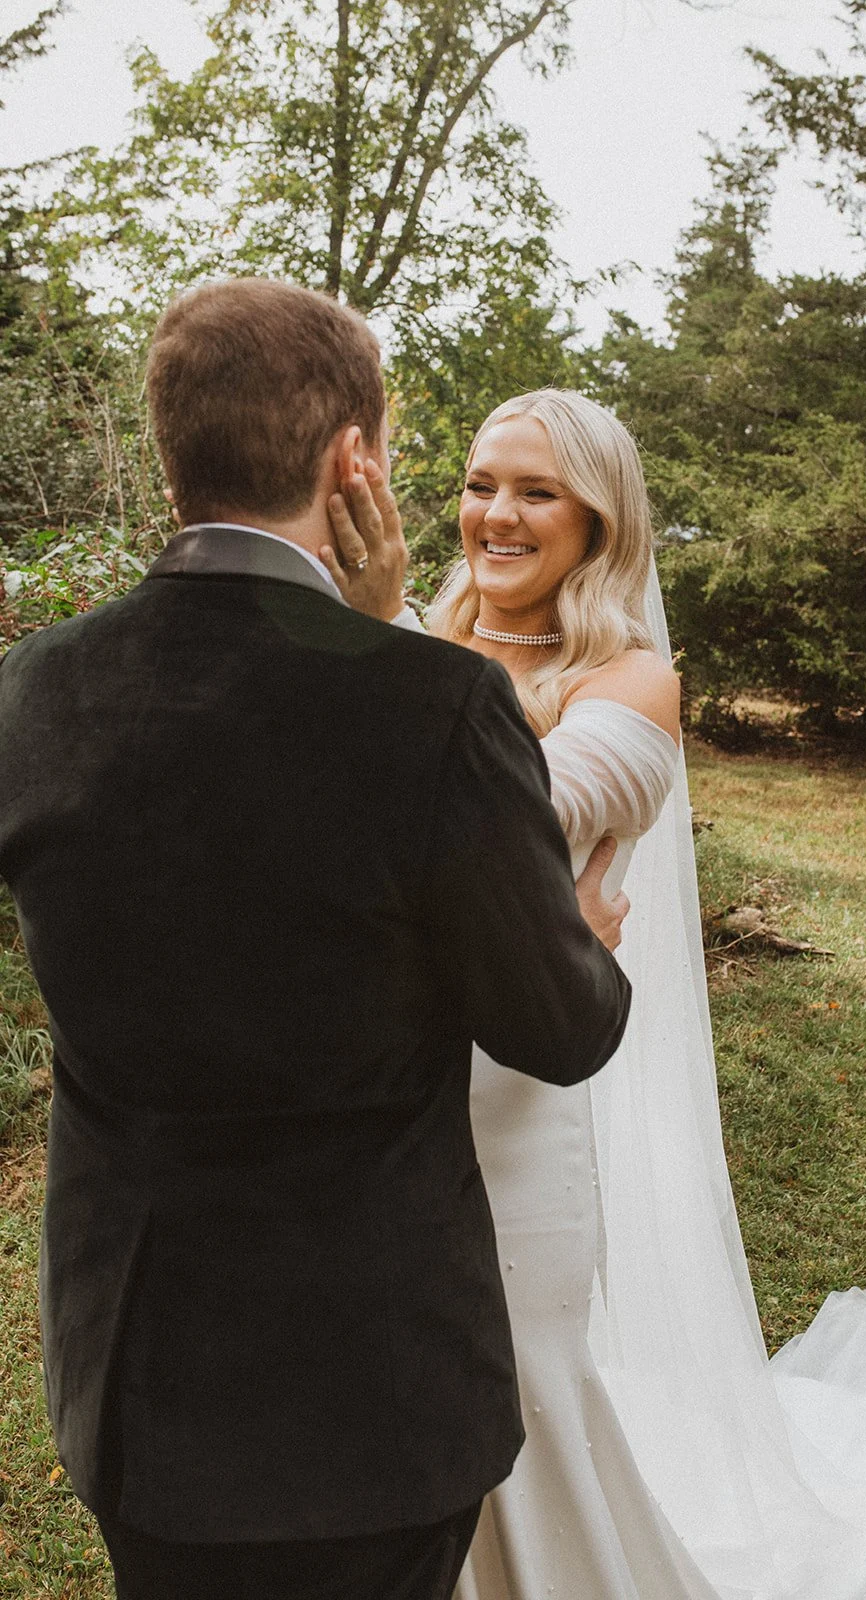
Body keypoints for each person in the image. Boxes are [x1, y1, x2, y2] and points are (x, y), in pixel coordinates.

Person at [0, 283, 636, 1600]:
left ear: (172, 450)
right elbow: (557, 1031)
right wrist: (571, 932)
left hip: (133, 1375)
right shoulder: (436, 706)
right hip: (372, 1401)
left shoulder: (36, 688)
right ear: (355, 461)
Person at [326, 387, 866, 1600]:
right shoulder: (412, 640)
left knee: (513, 1374)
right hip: (373, 1083)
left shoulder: (631, 679)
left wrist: (378, 649)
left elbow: (502, 827)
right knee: (390, 1373)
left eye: (535, 491)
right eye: (478, 483)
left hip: (505, 1091)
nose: (496, 514)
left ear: (597, 520)